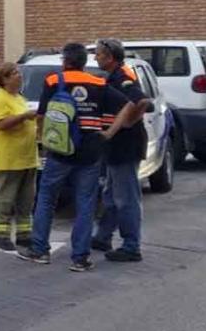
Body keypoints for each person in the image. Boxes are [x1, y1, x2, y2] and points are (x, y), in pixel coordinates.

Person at [17, 43, 133, 272]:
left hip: (60, 151)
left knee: (47, 199)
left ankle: (40, 249)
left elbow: (41, 116)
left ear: (66, 61)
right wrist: (110, 132)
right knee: (85, 203)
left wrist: (43, 139)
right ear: (83, 62)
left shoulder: (53, 81)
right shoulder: (99, 83)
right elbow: (128, 104)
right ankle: (80, 257)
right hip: (91, 152)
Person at [92, 38, 152, 262]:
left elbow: (141, 101)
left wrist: (124, 124)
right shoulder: (112, 77)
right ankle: (103, 236)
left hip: (126, 146)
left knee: (126, 198)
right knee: (110, 194)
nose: (96, 57)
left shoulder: (123, 77)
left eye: (98, 54)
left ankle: (131, 246)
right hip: (115, 148)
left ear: (109, 57)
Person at [0, 62, 38, 251]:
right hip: (10, 157)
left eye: (18, 72)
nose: (19, 75)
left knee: (26, 198)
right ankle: (1, 235)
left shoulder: (19, 97)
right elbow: (1, 123)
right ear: (4, 79)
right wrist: (25, 116)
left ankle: (24, 234)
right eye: (14, 73)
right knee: (7, 197)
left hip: (27, 157)